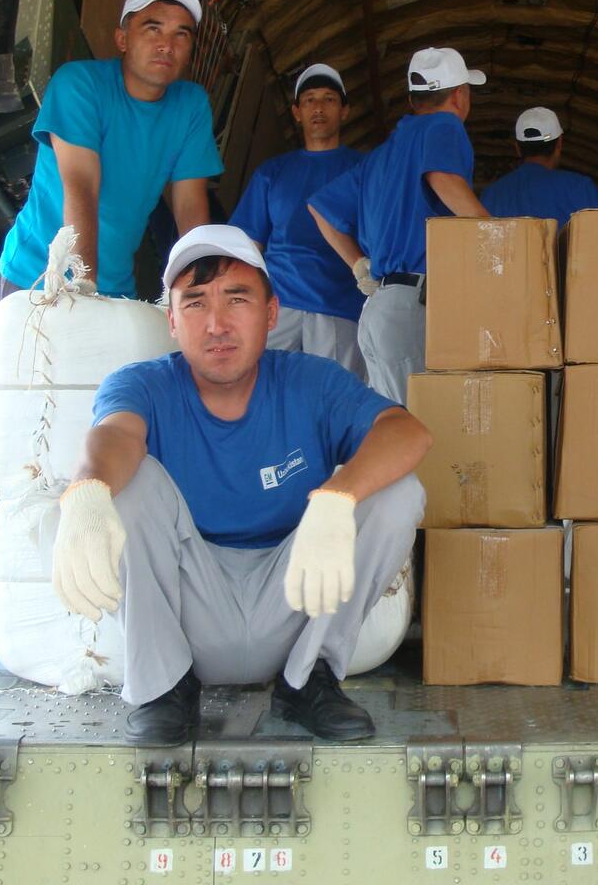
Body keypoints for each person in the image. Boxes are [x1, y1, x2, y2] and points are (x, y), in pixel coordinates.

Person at [48, 224, 429, 744]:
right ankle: (163, 688)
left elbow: (407, 431)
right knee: (125, 483)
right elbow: (115, 434)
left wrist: (338, 497)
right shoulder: (142, 384)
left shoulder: (311, 381)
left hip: (293, 601)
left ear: (271, 313)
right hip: (192, 610)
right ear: (172, 322)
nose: (217, 324)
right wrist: (86, 492)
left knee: (396, 491)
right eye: (196, 303)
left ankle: (310, 680)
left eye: (237, 299)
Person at [0, 0, 223, 299]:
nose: (167, 45)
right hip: (36, 275)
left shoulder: (191, 105)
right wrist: (84, 285)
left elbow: (189, 204)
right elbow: (82, 185)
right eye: (153, 29)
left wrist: (201, 286)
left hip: (115, 287)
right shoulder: (79, 83)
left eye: (181, 34)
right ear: (122, 39)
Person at [308, 46, 489, 404]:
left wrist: (358, 264)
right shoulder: (444, 125)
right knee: (423, 423)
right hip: (414, 308)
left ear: (412, 100)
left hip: (379, 310)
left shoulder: (380, 156)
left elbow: (320, 208)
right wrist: (496, 233)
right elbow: (442, 177)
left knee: (394, 425)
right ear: (459, 95)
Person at [230, 63, 366, 377]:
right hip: (278, 307)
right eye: (309, 100)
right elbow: (247, 246)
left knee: (333, 399)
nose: (318, 108)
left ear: (345, 111)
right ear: (296, 112)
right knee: (263, 390)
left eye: (329, 99)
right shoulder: (272, 172)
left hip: (339, 306)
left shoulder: (364, 169)